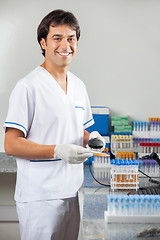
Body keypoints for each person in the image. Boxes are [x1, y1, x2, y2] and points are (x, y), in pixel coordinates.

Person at [4, 9, 105, 240]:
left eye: (71, 38)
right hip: (40, 196)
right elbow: (11, 144)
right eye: (57, 38)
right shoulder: (28, 87)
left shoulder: (78, 86)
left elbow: (71, 128)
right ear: (43, 42)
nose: (65, 45)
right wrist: (56, 151)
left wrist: (92, 138)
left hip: (73, 191)